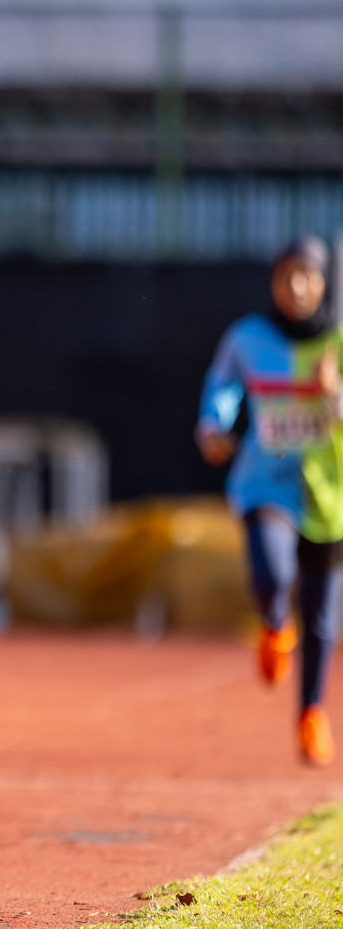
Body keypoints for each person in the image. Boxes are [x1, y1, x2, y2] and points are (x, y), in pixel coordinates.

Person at [198, 234, 343, 766]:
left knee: (324, 614)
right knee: (272, 573)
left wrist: (333, 396)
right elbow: (223, 385)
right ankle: (274, 620)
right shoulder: (249, 337)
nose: (297, 286)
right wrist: (213, 425)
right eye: (287, 275)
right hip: (267, 479)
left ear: (325, 281)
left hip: (331, 491)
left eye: (308, 275)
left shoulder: (339, 342)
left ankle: (311, 713)